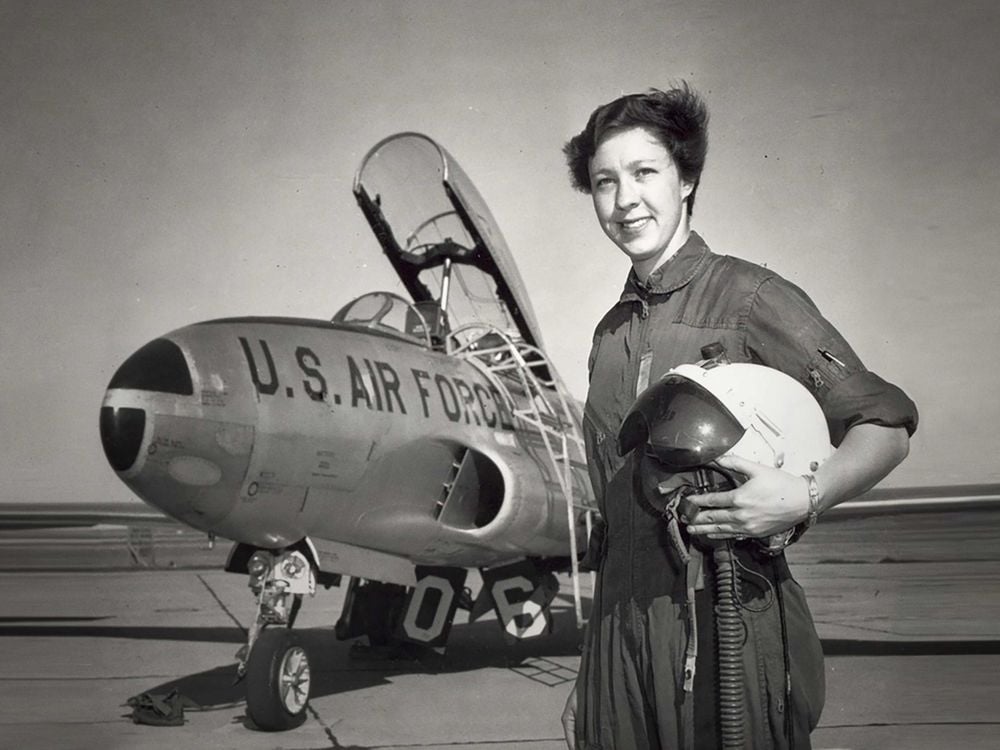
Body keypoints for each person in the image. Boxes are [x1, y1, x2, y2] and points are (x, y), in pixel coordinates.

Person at [559, 83, 918, 750]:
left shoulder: (753, 296)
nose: (624, 199)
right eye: (604, 182)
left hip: (728, 617)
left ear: (687, 176)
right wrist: (596, 672)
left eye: (645, 172)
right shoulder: (609, 335)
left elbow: (886, 426)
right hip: (620, 636)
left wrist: (806, 495)